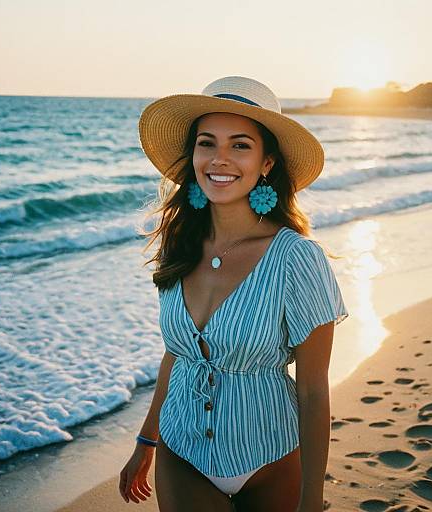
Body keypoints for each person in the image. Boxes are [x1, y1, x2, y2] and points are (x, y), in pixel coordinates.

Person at [119, 76, 349, 511]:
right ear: (193, 155)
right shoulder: (178, 245)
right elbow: (178, 355)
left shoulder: (296, 258)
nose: (219, 158)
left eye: (240, 145)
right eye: (207, 143)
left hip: (271, 457)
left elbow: (314, 389)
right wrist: (146, 440)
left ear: (266, 164)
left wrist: (312, 500)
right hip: (180, 449)